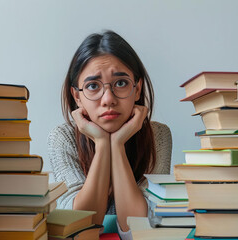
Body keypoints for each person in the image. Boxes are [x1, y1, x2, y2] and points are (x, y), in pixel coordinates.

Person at [47, 30, 172, 239]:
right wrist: (103, 144)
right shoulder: (62, 138)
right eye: (93, 86)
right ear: (77, 96)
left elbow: (140, 232)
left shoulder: (158, 135)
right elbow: (78, 228)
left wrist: (118, 145)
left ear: (138, 89)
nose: (108, 99)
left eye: (121, 83)